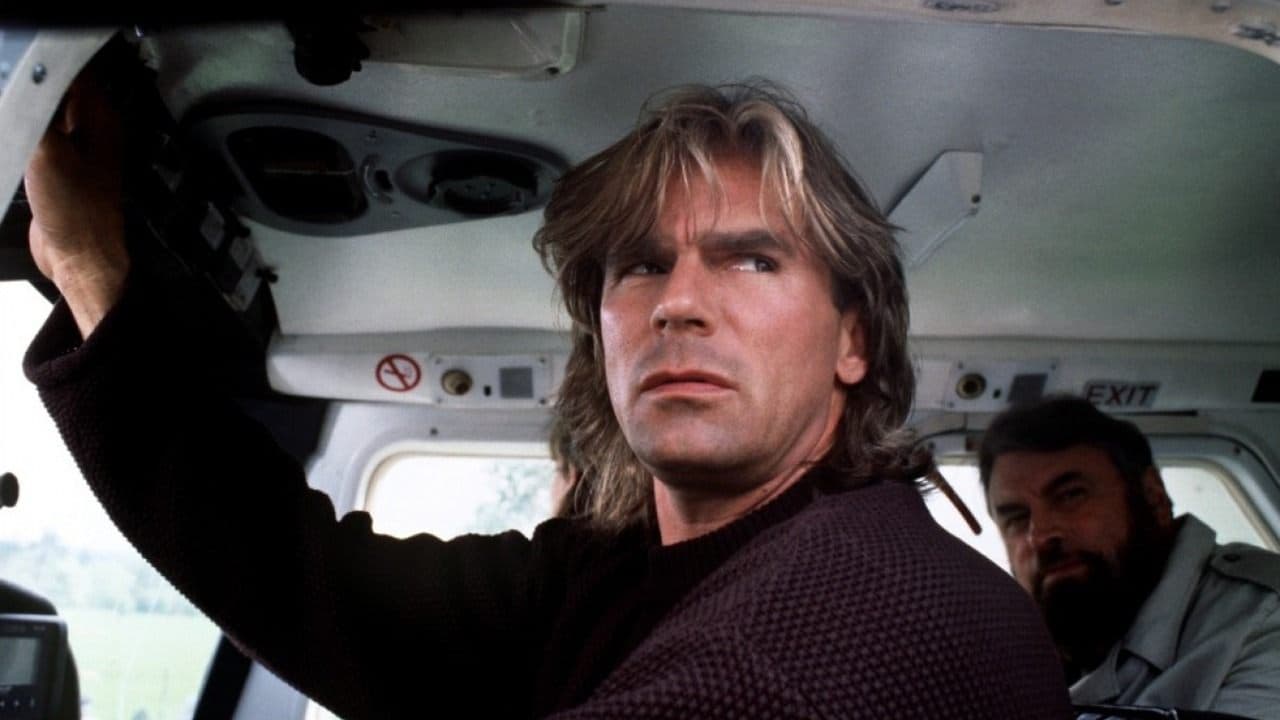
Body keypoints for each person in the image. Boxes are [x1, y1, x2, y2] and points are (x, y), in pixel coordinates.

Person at [22, 64, 1072, 718]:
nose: (677, 304)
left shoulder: (857, 617)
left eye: (751, 260)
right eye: (639, 266)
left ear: (853, 338)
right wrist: (88, 268)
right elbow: (316, 588)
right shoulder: (617, 572)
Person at [980, 395, 1280, 717]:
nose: (1040, 536)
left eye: (1070, 496)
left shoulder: (1260, 620)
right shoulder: (1015, 652)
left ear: (1152, 496)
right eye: (1017, 517)